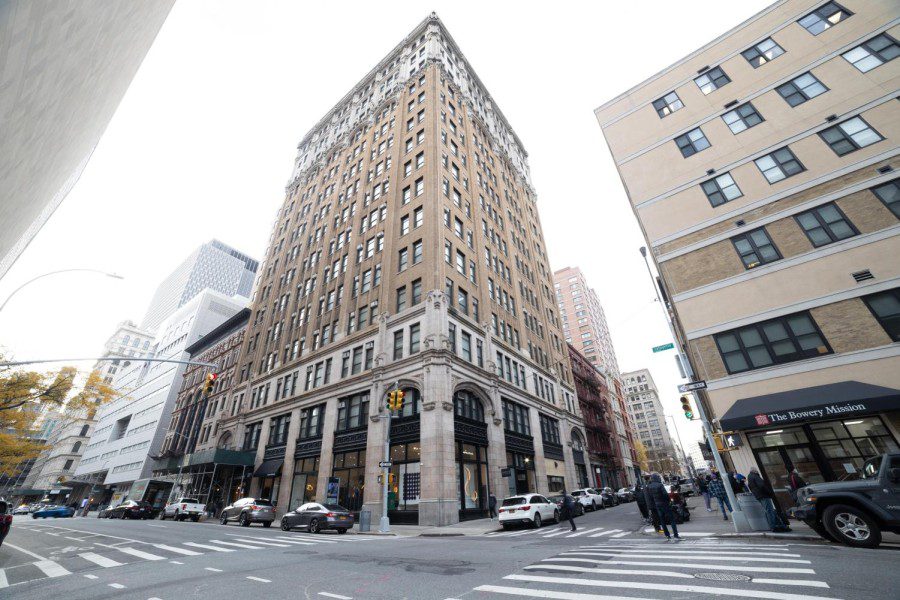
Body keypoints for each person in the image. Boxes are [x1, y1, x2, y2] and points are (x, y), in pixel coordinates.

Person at [747, 468, 791, 532]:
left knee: (771, 511)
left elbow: (751, 487)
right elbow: (762, 485)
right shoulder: (755, 476)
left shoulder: (750, 478)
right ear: (755, 471)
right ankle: (773, 526)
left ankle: (780, 525)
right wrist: (769, 492)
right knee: (769, 511)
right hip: (764, 495)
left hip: (759, 496)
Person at [646, 473, 680, 541]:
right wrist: (669, 501)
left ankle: (667, 536)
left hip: (657, 505)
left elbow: (650, 497)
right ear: (656, 478)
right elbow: (665, 494)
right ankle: (676, 535)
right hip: (664, 504)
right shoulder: (660, 485)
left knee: (662, 521)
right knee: (671, 519)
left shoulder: (649, 486)